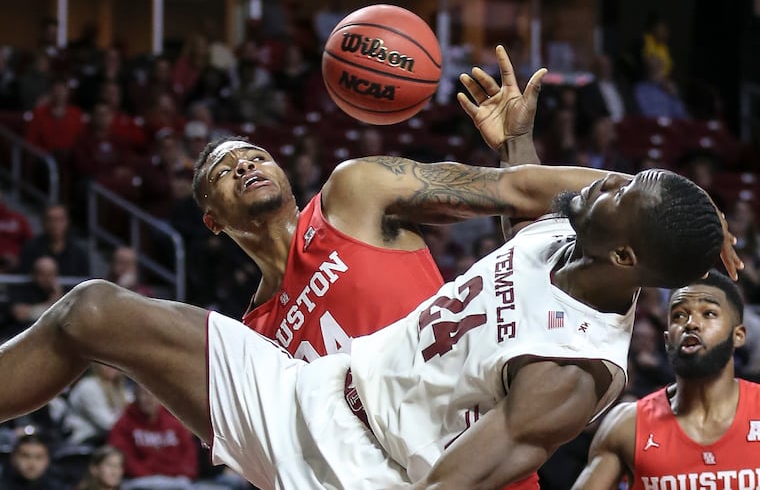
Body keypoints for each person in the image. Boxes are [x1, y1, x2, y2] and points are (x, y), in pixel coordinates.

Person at [0, 158, 740, 489]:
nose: (602, 181)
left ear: (626, 252)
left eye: (619, 192)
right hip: (314, 389)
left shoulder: (575, 371)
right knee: (92, 309)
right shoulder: (576, 226)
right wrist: (691, 209)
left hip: (361, 472)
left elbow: (450, 484)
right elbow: (521, 183)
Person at [212, 45, 548, 364]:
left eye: (258, 157)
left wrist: (515, 144)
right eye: (223, 172)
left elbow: (515, 195)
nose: (245, 166)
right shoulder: (255, 341)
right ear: (213, 221)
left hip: (466, 411)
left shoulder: (351, 197)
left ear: (282, 173)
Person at [571, 270, 758, 490]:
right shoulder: (627, 425)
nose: (691, 324)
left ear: (738, 335)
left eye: (708, 313)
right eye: (679, 315)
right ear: (668, 339)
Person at [107, 385, 198, 490]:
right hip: (139, 481)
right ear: (136, 396)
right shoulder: (125, 423)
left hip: (175, 480)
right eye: (144, 394)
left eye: (154, 394)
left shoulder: (173, 422)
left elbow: (189, 454)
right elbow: (122, 457)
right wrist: (151, 474)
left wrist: (174, 473)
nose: (149, 399)